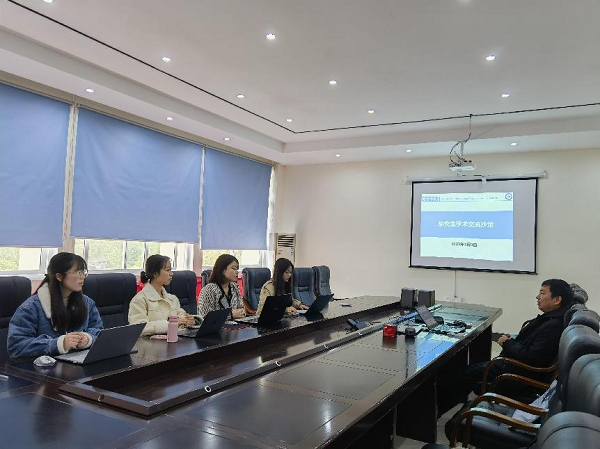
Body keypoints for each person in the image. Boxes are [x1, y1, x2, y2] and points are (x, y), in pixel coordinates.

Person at [437, 279, 574, 418]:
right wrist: (511, 342)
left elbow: (531, 357)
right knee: (466, 369)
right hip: (512, 365)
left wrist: (507, 343)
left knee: (464, 374)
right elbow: (532, 347)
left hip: (517, 374)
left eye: (542, 293)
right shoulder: (552, 319)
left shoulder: (553, 326)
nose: (537, 297)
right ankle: (439, 407)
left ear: (557, 300)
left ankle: (437, 410)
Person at [8, 252, 103, 359]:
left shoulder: (87, 302)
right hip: (45, 367)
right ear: (59, 276)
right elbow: (16, 346)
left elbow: (98, 330)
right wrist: (59, 344)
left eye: (84, 272)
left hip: (78, 363)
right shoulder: (31, 307)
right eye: (78, 272)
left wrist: (88, 339)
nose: (83, 277)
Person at [129, 255, 196, 336]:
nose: (171, 274)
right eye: (167, 270)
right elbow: (139, 328)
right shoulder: (139, 300)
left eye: (171, 270)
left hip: (175, 340)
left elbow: (181, 316)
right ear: (155, 274)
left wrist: (188, 321)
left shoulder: (172, 298)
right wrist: (172, 324)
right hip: (151, 343)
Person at [198, 254, 245, 320]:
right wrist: (230, 315)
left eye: (237, 269)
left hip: (235, 324)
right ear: (222, 270)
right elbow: (205, 317)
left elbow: (241, 308)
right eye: (234, 268)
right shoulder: (208, 290)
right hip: (217, 326)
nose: (237, 272)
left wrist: (242, 312)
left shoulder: (234, 287)